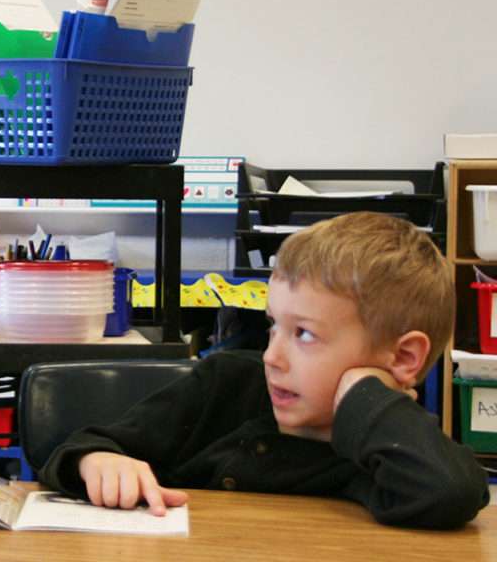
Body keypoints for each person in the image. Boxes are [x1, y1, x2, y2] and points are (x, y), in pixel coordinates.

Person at [40, 211, 490, 529]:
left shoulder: (382, 447)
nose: (272, 356)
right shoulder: (226, 382)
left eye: (306, 335)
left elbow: (451, 492)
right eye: (275, 325)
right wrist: (98, 461)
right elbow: (84, 444)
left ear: (405, 359)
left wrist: (367, 398)